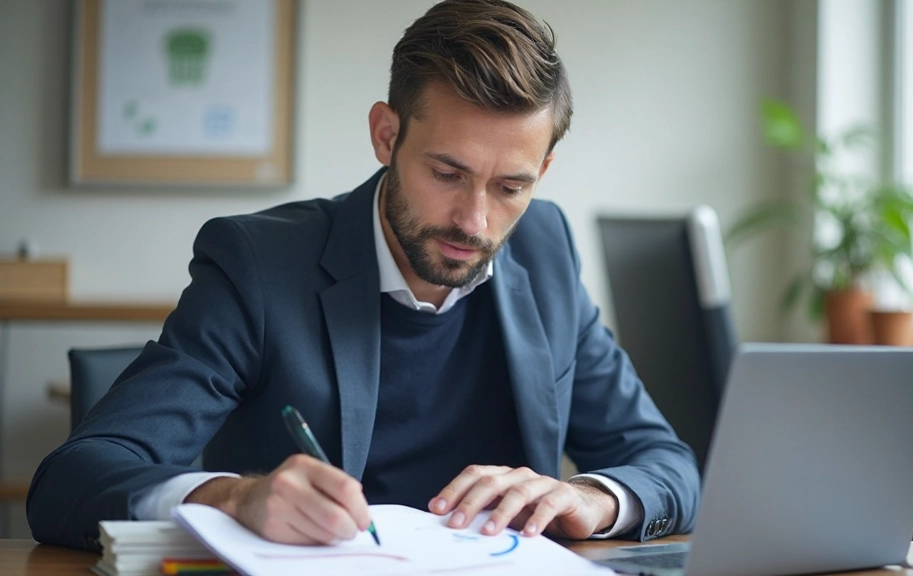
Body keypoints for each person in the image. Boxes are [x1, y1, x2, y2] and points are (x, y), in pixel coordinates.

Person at [27, 0, 699, 551]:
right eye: (447, 174)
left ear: (542, 173)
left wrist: (593, 497)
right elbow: (71, 479)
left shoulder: (547, 249)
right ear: (385, 136)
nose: (475, 221)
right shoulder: (258, 264)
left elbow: (669, 465)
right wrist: (234, 497)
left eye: (510, 187)